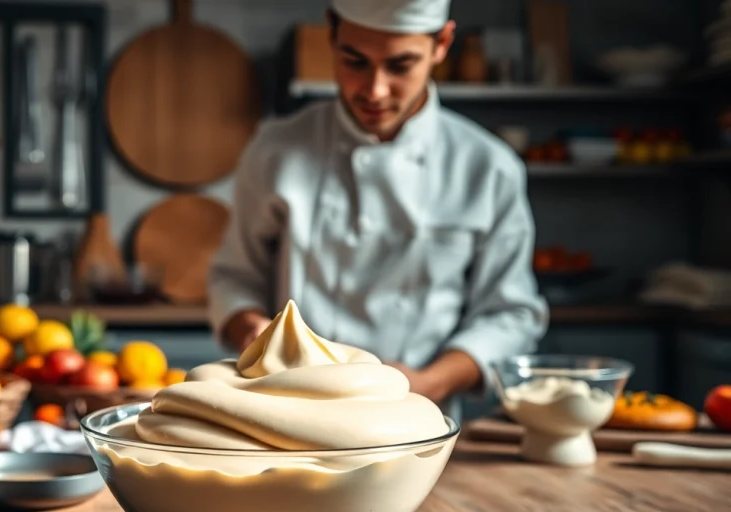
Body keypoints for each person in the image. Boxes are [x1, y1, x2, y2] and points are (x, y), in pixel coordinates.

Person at [207, 0, 549, 413]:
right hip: (287, 413)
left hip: (418, 420)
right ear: (332, 33)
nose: (375, 90)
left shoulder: (488, 167)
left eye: (400, 66)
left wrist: (432, 381)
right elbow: (234, 277)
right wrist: (252, 330)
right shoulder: (274, 150)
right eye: (355, 62)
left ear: (442, 44)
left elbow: (510, 315)